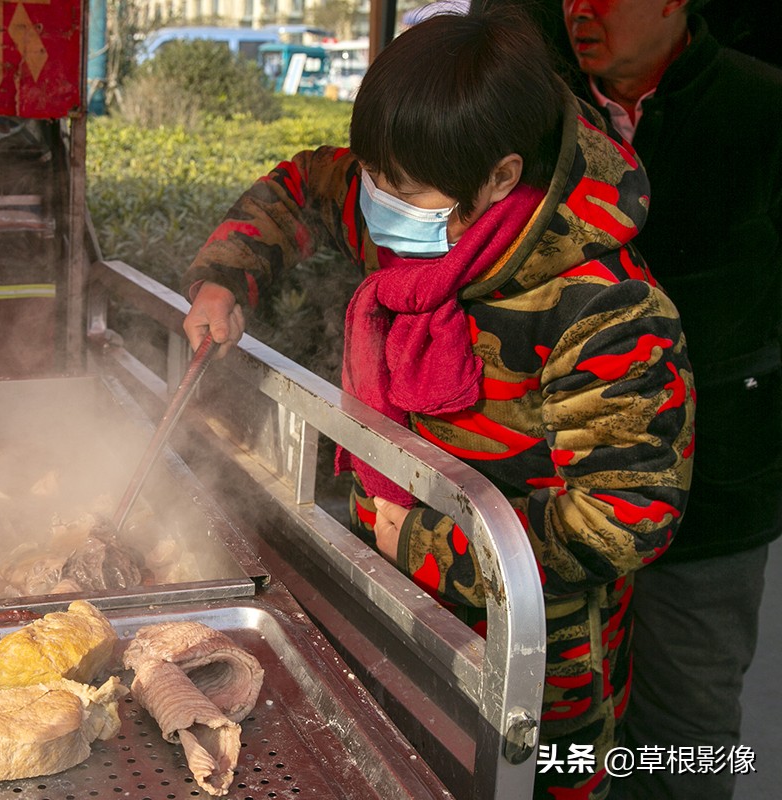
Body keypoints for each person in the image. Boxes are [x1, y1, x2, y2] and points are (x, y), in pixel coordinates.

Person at [180, 8, 695, 800]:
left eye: (400, 186)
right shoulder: (420, 211)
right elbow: (303, 188)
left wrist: (421, 542)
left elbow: (624, 520)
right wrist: (226, 274)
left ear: (499, 176)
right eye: (375, 174)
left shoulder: (604, 312)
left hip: (534, 672)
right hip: (394, 606)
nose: (376, 199)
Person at [560, 1, 782, 798]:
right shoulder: (546, 110)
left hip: (713, 504)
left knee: (686, 732)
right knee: (566, 738)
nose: (580, 9)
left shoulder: (761, 111)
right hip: (568, 498)